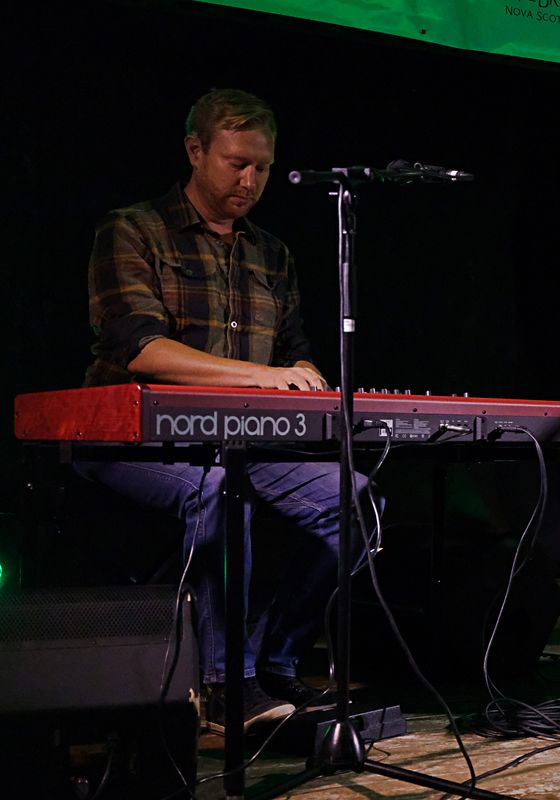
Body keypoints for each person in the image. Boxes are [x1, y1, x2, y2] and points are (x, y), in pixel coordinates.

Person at [77, 88, 368, 732]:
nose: (250, 181)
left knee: (355, 502)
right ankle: (221, 684)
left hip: (240, 438)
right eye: (237, 163)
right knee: (216, 491)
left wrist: (308, 378)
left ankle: (273, 665)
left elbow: (295, 352)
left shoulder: (272, 253)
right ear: (194, 150)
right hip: (131, 439)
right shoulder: (132, 229)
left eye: (262, 167)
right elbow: (140, 348)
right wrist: (266, 377)